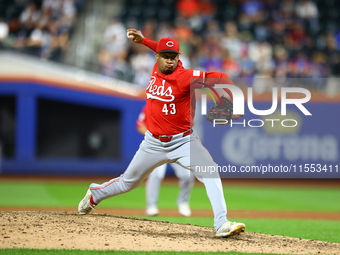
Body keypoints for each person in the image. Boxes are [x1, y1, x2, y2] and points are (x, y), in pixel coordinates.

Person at [78, 28, 246, 237]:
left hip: (183, 141)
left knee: (210, 172)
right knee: (128, 183)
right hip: (153, 143)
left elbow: (220, 77)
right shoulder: (155, 69)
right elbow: (158, 46)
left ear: (178, 58)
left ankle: (221, 223)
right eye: (165, 56)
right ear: (156, 57)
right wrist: (143, 40)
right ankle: (96, 193)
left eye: (173, 57)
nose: (169, 60)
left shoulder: (186, 77)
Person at [136, 105, 195, 217]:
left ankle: (183, 203)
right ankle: (151, 205)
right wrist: (155, 136)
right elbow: (140, 125)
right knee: (157, 175)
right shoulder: (152, 105)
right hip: (159, 146)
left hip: (176, 146)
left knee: (188, 175)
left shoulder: (179, 104)